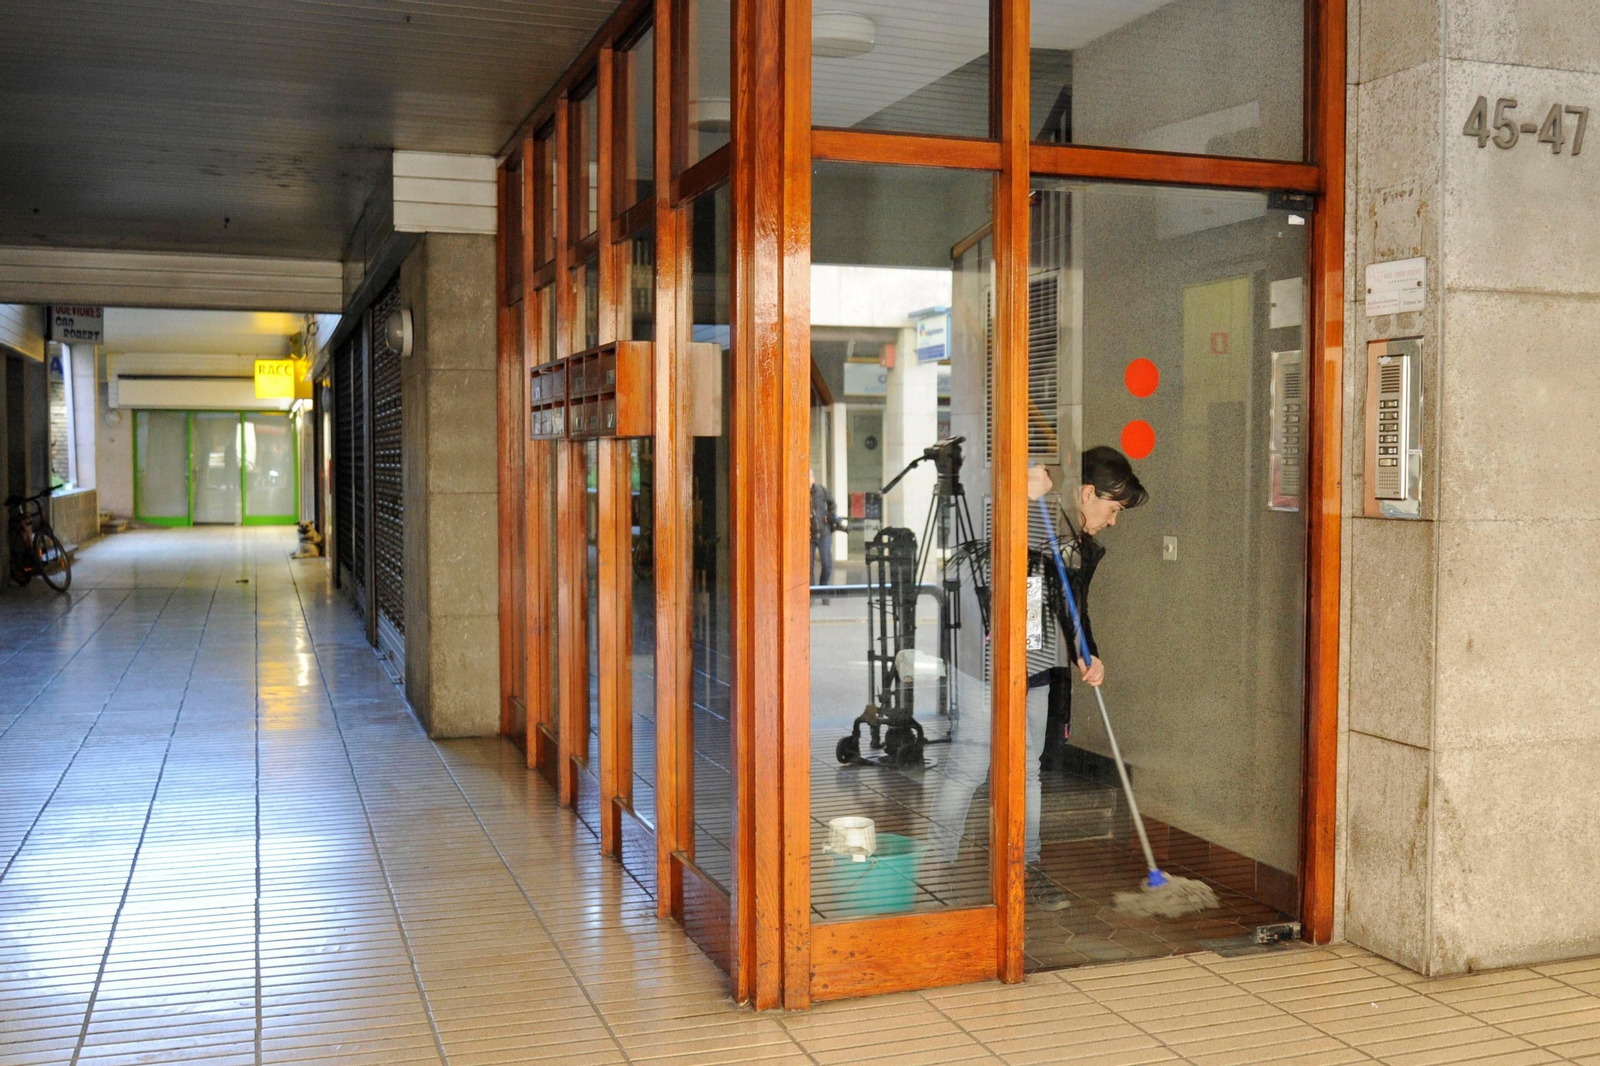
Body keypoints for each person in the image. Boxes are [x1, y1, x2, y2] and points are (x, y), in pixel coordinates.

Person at [927, 446, 1148, 911]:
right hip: (986, 664)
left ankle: (1025, 869)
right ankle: (937, 863)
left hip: (1037, 667)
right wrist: (1032, 496)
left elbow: (1073, 606)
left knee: (1027, 771)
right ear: (1088, 493)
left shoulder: (1074, 539)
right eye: (1112, 510)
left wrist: (1088, 653)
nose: (1113, 522)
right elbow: (1008, 581)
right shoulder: (1030, 513)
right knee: (971, 763)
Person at [809, 468, 846, 591]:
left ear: (813, 478)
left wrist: (830, 516)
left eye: (809, 476)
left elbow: (832, 505)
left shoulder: (822, 491)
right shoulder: (799, 493)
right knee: (809, 567)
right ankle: (812, 593)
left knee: (827, 565)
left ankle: (823, 589)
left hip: (824, 533)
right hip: (808, 535)